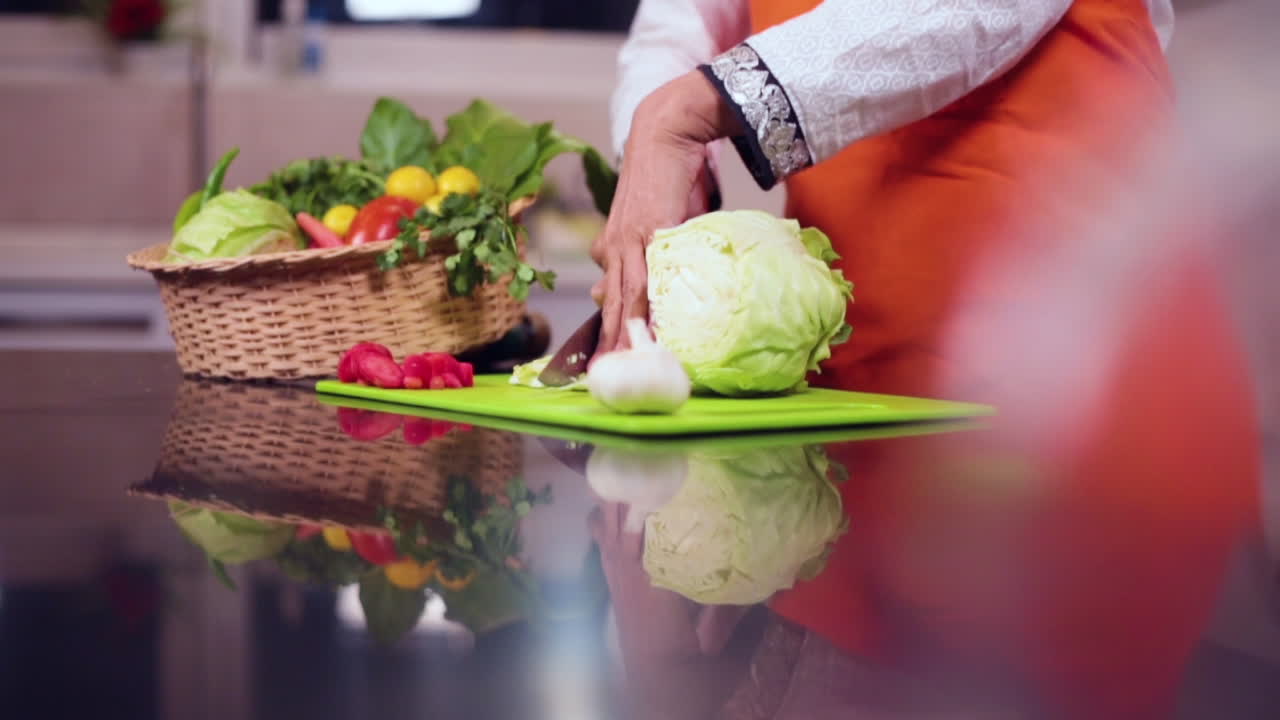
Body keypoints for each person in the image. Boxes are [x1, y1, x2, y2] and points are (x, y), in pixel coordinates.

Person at [595, 0, 1189, 400]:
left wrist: (686, 112)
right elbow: (673, 27)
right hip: (847, 379)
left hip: (1071, 364)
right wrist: (671, 166)